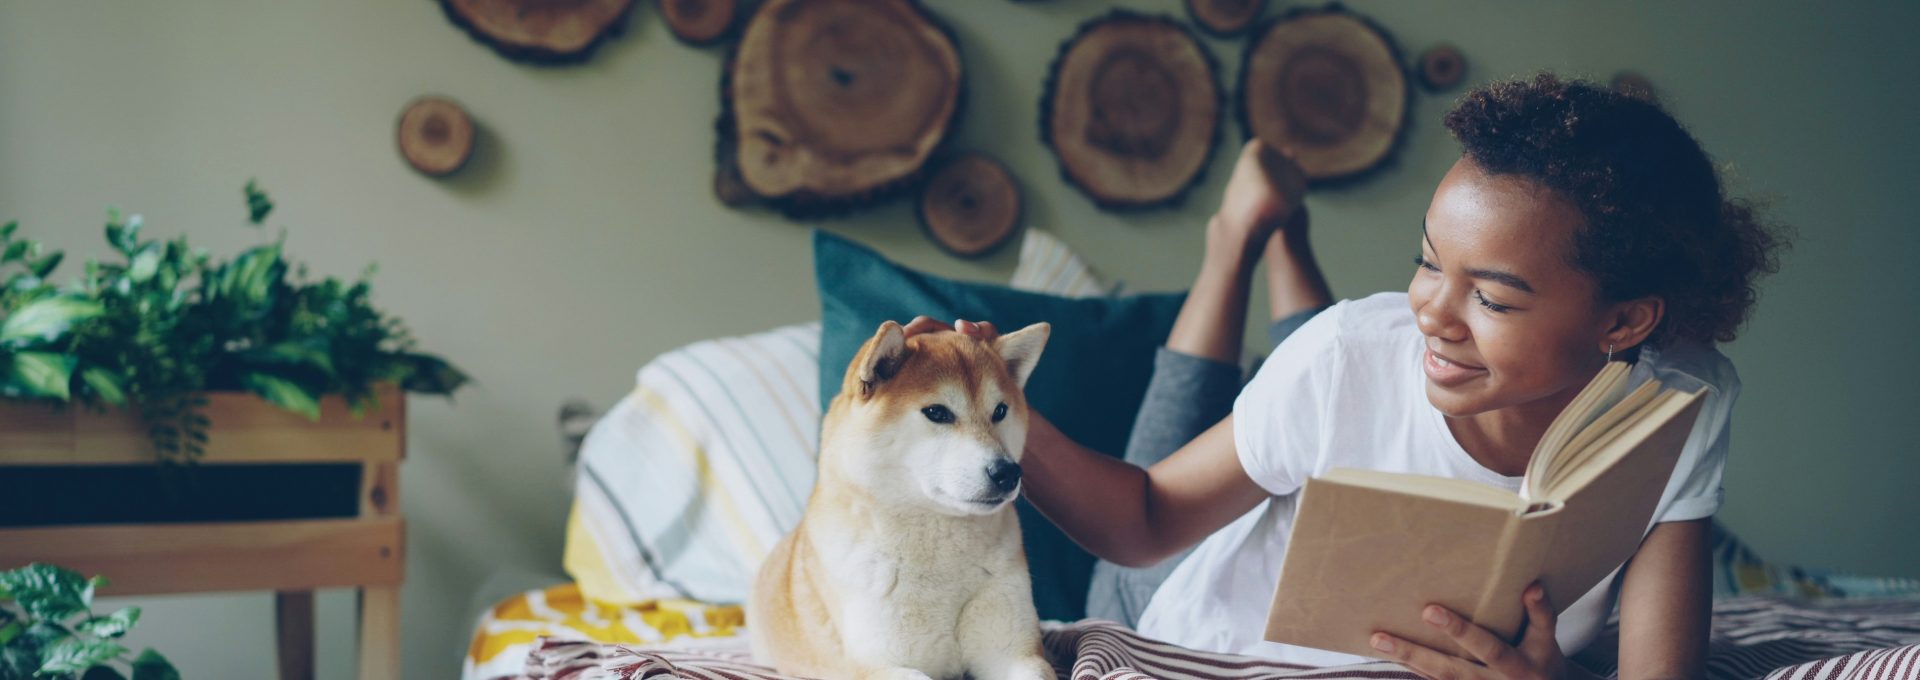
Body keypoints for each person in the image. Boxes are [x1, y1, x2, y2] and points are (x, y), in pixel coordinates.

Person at [907, 74, 1787, 680]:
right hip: (1171, 586)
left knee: (1357, 363)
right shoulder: (1351, 351)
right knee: (1333, 360)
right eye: (1427, 261)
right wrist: (997, 405)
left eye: (1493, 297)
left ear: (1626, 323)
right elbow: (1141, 524)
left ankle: (1286, 238)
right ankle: (1239, 240)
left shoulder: (1679, 402)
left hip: (1342, 380)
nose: (1434, 309)